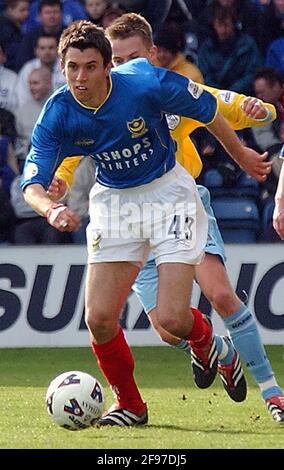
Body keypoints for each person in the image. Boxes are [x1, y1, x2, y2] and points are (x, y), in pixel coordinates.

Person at [22, 20, 272, 427]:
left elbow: (207, 109)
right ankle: (132, 406)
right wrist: (51, 209)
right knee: (99, 319)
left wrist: (241, 155)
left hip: (168, 194)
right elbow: (30, 184)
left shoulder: (142, 82)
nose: (80, 77)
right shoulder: (59, 111)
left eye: (89, 66)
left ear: (108, 67)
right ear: (62, 68)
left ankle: (211, 343)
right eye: (72, 68)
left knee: (174, 321)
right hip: (114, 204)